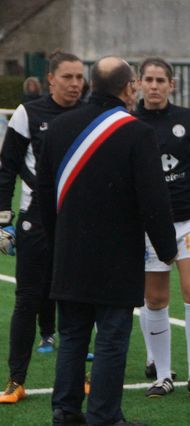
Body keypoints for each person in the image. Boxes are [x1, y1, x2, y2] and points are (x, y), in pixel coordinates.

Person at [37, 56, 177, 425]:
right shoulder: (137, 132)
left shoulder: (59, 127)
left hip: (69, 253)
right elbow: (154, 199)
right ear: (129, 88)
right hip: (117, 256)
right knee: (111, 339)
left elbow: (43, 195)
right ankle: (104, 415)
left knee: (72, 336)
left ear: (91, 85)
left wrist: (56, 241)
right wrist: (167, 248)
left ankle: (65, 412)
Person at [0, 51, 84, 404]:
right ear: (51, 79)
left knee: (77, 300)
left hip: (78, 220)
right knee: (27, 299)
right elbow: (7, 167)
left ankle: (78, 377)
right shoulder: (28, 113)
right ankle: (15, 380)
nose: (75, 84)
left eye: (80, 77)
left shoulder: (89, 114)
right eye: (68, 77)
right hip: (35, 218)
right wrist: (4, 220)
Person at [134, 57, 190, 400]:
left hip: (189, 220)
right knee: (155, 298)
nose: (154, 86)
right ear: (139, 83)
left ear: (172, 85)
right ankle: (163, 374)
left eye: (160, 80)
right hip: (148, 224)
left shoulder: (189, 119)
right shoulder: (129, 122)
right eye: (149, 80)